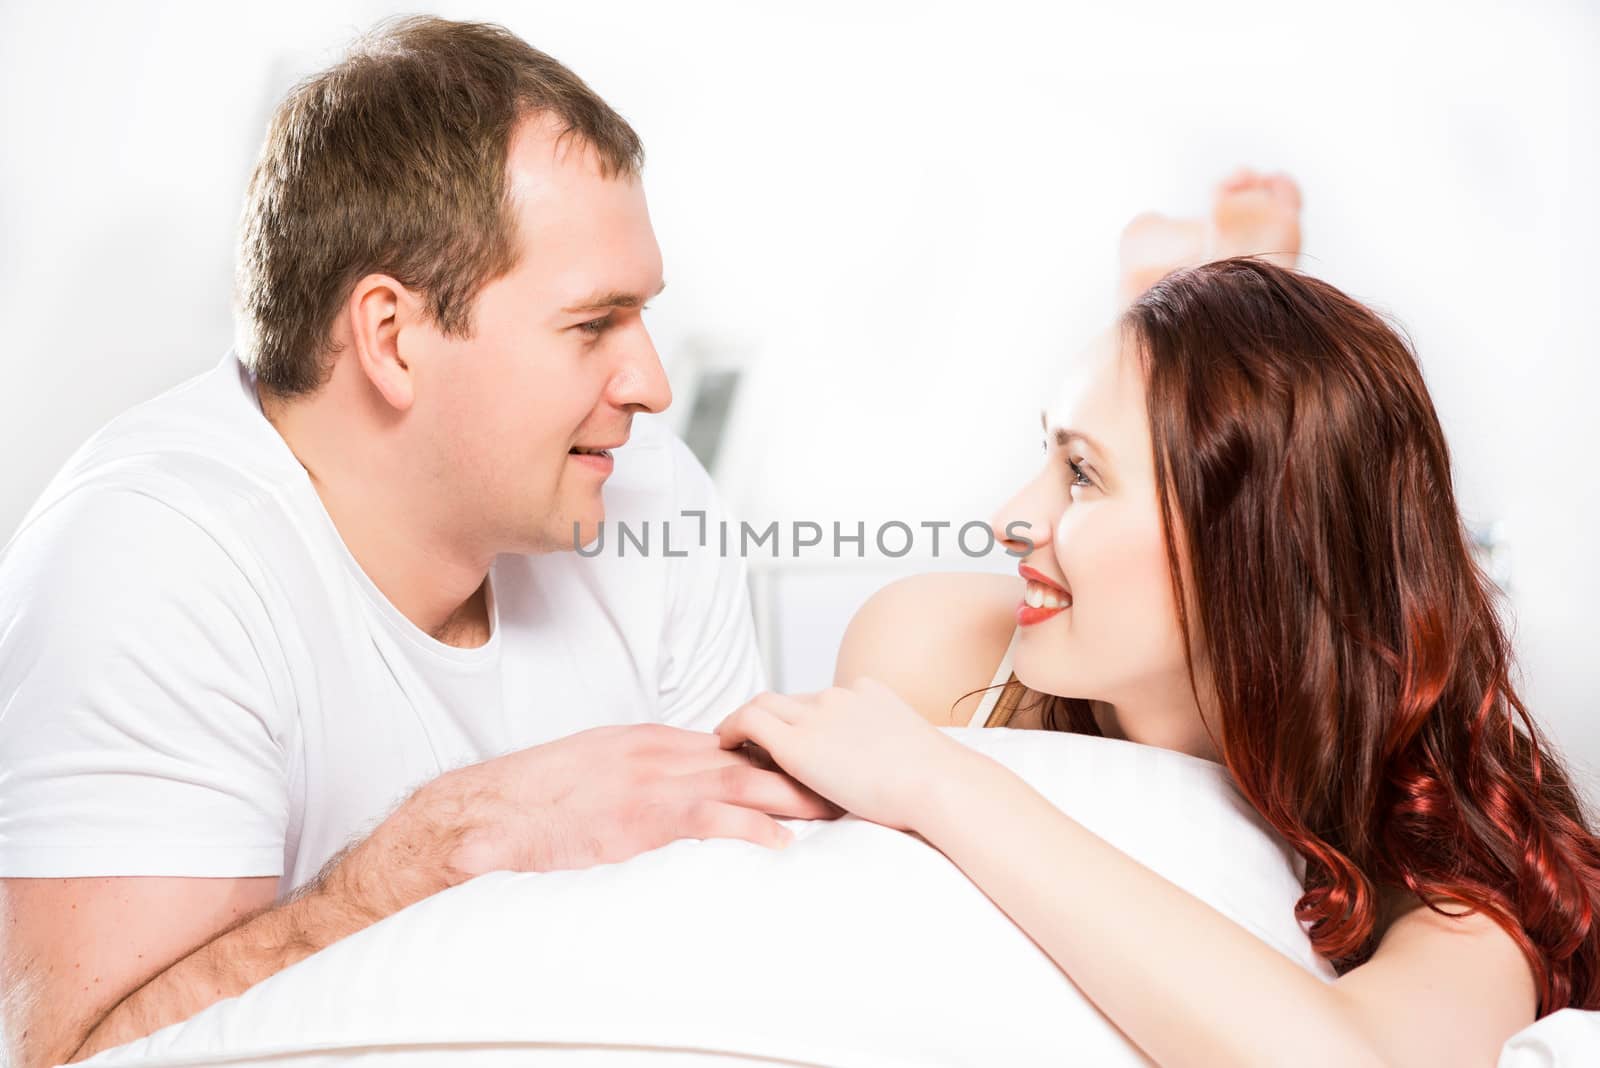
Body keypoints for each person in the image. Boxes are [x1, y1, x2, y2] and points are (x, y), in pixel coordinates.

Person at [0, 17, 836, 1068]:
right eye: (592, 325)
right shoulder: (151, 562)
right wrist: (443, 850)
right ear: (391, 338)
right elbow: (77, 1056)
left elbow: (740, 926)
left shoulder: (649, 496)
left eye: (643, 317)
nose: (651, 387)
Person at [717, 174, 1600, 1067]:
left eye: (1083, 475)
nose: (1006, 517)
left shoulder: (1452, 871)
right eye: (1050, 453)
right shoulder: (932, 649)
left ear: (1245, 555)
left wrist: (940, 783)